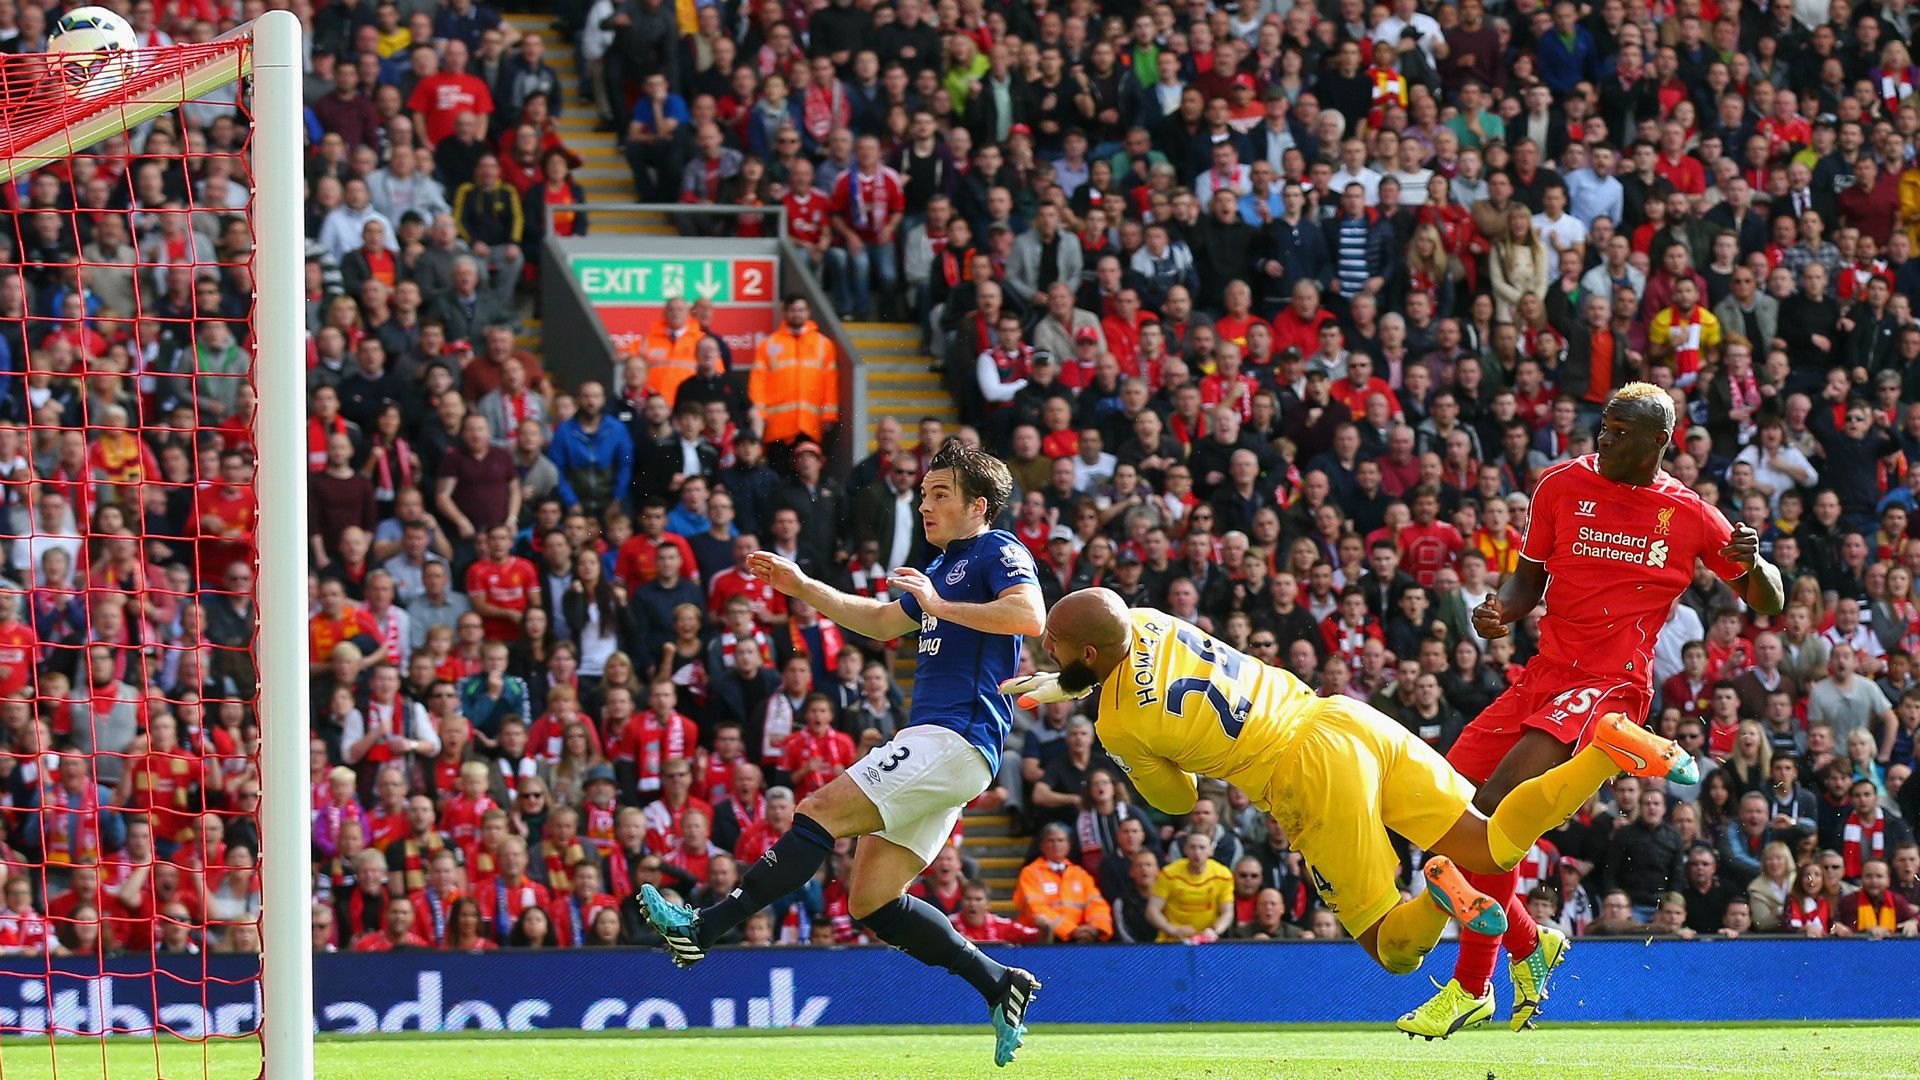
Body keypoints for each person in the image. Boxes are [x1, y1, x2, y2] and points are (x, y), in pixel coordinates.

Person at [1008, 592, 1693, 1012]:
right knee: (1491, 842)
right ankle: (1604, 749)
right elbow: (1117, 657)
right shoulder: (1150, 620)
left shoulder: (1119, 723)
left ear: (1090, 656)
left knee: (1393, 949)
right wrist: (1065, 682)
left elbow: (1177, 799)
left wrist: (1131, 743)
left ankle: (1440, 896)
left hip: (1302, 774)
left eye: (1055, 647)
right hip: (1345, 719)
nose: (1046, 648)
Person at [638, 439, 1046, 1067]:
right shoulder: (941, 569)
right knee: (871, 902)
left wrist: (938, 606)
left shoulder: (998, 550)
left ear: (979, 506)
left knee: (820, 809)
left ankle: (704, 929)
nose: (926, 504)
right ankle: (998, 982)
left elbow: (1030, 615)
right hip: (951, 748)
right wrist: (802, 586)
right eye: (923, 494)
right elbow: (883, 622)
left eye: (940, 494)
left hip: (955, 736)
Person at [1401, 381, 1784, 1039]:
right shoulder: (1559, 486)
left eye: (1619, 432)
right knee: (1447, 809)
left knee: (1494, 805)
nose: (1602, 440)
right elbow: (1530, 578)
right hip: (1542, 676)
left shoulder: (1690, 514)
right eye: (1602, 427)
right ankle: (1529, 943)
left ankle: (1470, 987)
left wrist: (1760, 564)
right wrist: (1503, 611)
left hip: (1608, 687)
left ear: (1659, 442)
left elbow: (1768, 601)